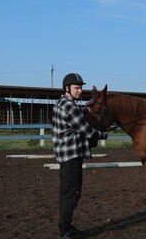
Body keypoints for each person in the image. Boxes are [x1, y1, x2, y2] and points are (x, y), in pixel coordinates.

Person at [52, 73, 107, 239]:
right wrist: (103, 135)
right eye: (76, 88)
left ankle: (65, 226)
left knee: (66, 192)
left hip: (64, 155)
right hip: (71, 155)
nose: (80, 90)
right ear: (67, 88)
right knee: (73, 193)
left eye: (81, 87)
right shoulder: (70, 107)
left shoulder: (60, 104)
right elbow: (86, 131)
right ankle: (66, 230)